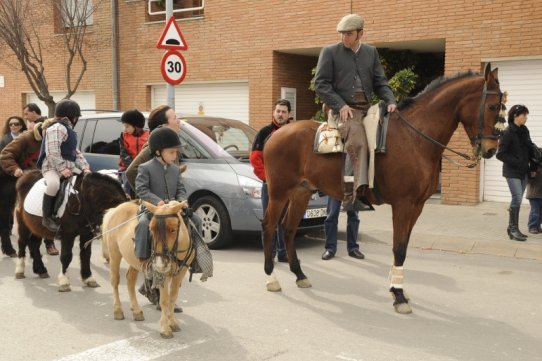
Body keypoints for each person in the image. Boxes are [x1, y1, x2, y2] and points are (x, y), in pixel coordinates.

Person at [314, 13, 397, 211]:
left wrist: (391, 100)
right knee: (358, 142)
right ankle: (351, 195)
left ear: (361, 33)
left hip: (367, 108)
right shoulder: (330, 52)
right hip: (345, 110)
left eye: (349, 34)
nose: (344, 38)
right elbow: (320, 84)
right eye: (342, 34)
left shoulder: (371, 52)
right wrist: (340, 105)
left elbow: (380, 82)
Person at [0, 117, 60, 255]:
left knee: (44, 208)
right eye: (50, 133)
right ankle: (6, 244)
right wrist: (15, 169)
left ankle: (49, 242)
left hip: (37, 179)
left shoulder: (55, 140)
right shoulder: (25, 138)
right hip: (11, 178)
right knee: (5, 211)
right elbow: (5, 154)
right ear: (44, 129)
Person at [36, 99, 91, 232]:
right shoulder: (56, 128)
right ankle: (47, 217)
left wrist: (85, 167)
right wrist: (61, 168)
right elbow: (52, 151)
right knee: (54, 184)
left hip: (69, 167)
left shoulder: (70, 131)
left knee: (87, 182)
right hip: (51, 167)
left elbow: (75, 153)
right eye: (76, 117)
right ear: (70, 117)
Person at [249, 99, 291, 263]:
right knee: (270, 219)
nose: (280, 114)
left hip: (289, 185)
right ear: (274, 113)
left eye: (283, 112)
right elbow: (255, 158)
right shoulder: (264, 132)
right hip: (270, 185)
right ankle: (270, 253)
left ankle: (283, 253)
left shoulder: (293, 132)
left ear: (289, 115)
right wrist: (268, 179)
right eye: (278, 111)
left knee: (285, 220)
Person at [496, 104, 533, 242]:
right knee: (517, 197)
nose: (526, 118)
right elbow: (500, 154)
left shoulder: (525, 130)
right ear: (515, 116)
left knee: (516, 199)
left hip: (524, 171)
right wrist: (517, 161)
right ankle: (513, 229)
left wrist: (533, 165)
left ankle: (513, 228)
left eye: (526, 115)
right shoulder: (507, 132)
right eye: (524, 115)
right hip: (512, 171)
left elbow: (529, 148)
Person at [118, 109, 149, 196]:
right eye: (123, 126)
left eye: (127, 126)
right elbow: (123, 153)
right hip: (127, 169)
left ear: (137, 127)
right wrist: (133, 167)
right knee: (128, 191)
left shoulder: (149, 136)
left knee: (142, 192)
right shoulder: (123, 136)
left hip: (144, 170)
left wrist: (141, 167)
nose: (124, 129)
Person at [526, 152, 542, 234]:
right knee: (535, 211)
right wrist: (532, 174)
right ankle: (532, 226)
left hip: (540, 194)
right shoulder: (534, 167)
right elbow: (528, 180)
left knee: (540, 212)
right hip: (533, 193)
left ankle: (537, 226)